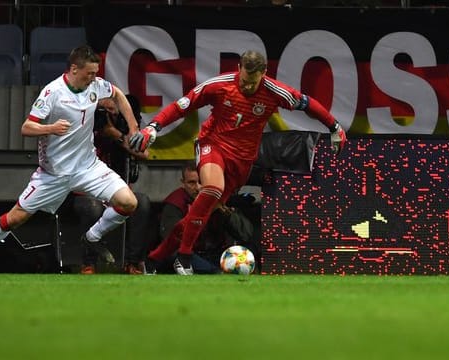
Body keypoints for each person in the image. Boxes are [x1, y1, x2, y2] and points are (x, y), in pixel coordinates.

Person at [130, 50, 347, 275]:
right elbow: (181, 105)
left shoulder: (275, 91)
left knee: (200, 213)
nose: (247, 87)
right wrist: (153, 127)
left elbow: (307, 103)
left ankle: (154, 260)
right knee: (213, 188)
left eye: (252, 83)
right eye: (243, 80)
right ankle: (184, 259)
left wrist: (335, 127)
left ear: (264, 74)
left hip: (241, 162)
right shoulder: (219, 85)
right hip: (212, 145)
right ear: (239, 69)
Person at [0, 45, 141, 273]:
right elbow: (26, 127)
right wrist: (50, 127)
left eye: (95, 73)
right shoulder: (53, 92)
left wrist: (134, 127)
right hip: (54, 174)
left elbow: (117, 94)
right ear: (74, 69)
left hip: (89, 167)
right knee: (15, 218)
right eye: (89, 73)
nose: (94, 77)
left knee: (129, 202)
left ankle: (92, 237)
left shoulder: (96, 87)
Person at [78, 95, 153, 275]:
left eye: (115, 110)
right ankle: (88, 264)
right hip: (85, 190)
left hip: (116, 190)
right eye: (108, 109)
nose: (111, 113)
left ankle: (132, 263)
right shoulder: (87, 120)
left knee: (142, 203)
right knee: (92, 207)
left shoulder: (123, 127)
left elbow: (145, 154)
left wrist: (116, 135)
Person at [153, 162, 255, 274]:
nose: (197, 188)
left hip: (216, 255)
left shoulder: (220, 197)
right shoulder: (176, 203)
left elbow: (246, 235)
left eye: (201, 182)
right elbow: (171, 244)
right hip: (189, 256)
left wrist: (224, 211)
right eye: (191, 183)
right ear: (183, 183)